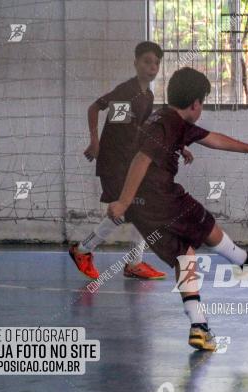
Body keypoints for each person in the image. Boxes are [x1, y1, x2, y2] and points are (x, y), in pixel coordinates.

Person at [107, 67, 248, 351]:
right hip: (163, 198)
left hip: (143, 208)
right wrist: (122, 201)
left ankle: (198, 326)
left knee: (185, 257)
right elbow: (141, 158)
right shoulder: (173, 123)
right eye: (203, 104)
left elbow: (207, 139)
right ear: (196, 104)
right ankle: (246, 262)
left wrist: (178, 149)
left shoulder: (162, 117)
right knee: (207, 227)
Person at [69, 41, 178, 280]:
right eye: (147, 61)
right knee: (126, 210)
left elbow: (143, 129)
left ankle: (133, 263)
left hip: (129, 162)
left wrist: (175, 145)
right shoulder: (126, 91)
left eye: (156, 63)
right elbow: (94, 109)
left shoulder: (147, 95)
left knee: (141, 207)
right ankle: (83, 250)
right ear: (136, 62)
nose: (152, 67)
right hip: (114, 161)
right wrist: (94, 142)